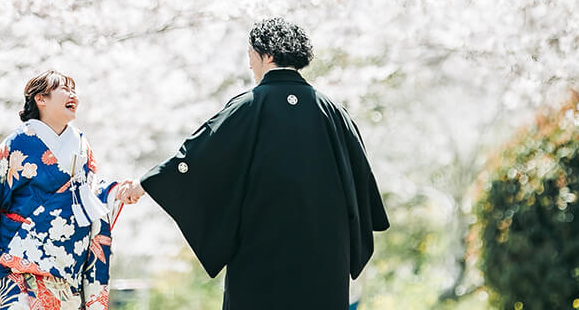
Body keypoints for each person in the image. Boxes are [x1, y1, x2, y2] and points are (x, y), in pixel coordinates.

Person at [125, 18, 389, 310]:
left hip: (262, 249)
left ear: (267, 54)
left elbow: (198, 158)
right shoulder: (334, 112)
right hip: (325, 255)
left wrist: (148, 183)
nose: (250, 64)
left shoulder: (249, 105)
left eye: (251, 54)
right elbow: (362, 186)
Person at [0, 70, 136, 310]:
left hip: (67, 260)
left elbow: (89, 193)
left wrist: (117, 192)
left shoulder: (82, 145)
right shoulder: (20, 141)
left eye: (74, 90)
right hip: (19, 253)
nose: (73, 94)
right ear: (40, 99)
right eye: (64, 89)